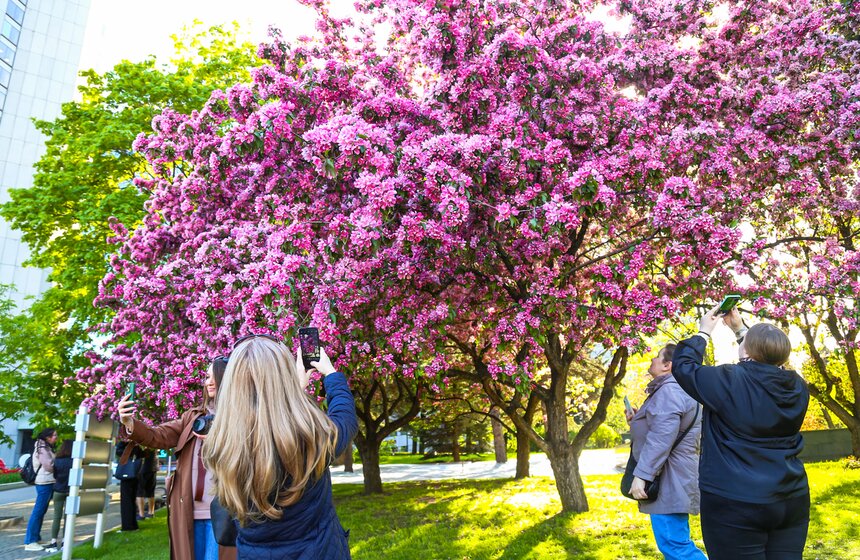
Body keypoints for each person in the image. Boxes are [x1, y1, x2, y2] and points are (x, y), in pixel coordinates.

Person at [672, 305, 810, 560]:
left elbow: (683, 367)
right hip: (790, 497)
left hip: (735, 501)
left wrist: (704, 332)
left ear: (746, 350)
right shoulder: (798, 387)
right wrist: (740, 329)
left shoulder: (729, 380)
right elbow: (765, 367)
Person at [204, 335, 358, 559]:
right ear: (284, 380)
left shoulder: (222, 445)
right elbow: (345, 418)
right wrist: (331, 374)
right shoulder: (311, 438)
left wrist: (292, 391)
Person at [118, 357, 236, 560]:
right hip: (189, 512)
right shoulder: (192, 417)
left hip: (225, 512)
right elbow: (158, 435)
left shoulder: (243, 417)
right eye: (206, 377)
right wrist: (129, 422)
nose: (208, 382)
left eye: (214, 376)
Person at [626, 344, 706, 560]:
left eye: (656, 357)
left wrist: (641, 476)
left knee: (675, 546)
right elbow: (660, 429)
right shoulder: (672, 389)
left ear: (667, 365)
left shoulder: (670, 391)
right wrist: (638, 421)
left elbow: (661, 440)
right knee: (673, 544)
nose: (651, 360)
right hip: (673, 477)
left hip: (670, 479)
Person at [24, 427, 58, 551]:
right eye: (54, 435)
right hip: (45, 482)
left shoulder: (45, 447)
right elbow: (49, 465)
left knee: (41, 511)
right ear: (48, 437)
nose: (56, 437)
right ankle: (30, 542)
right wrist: (60, 467)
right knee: (38, 512)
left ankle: (35, 538)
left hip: (47, 481)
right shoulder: (42, 448)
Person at [45, 440, 74, 553]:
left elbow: (55, 475)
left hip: (58, 490)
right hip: (70, 491)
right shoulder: (74, 461)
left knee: (56, 517)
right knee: (68, 518)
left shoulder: (57, 460)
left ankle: (53, 542)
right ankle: (64, 542)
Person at [115, 440, 142, 531]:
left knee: (126, 501)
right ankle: (133, 524)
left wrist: (122, 443)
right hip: (135, 474)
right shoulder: (138, 443)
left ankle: (128, 526)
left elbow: (119, 452)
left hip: (127, 475)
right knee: (131, 501)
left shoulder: (127, 445)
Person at [137, 447, 159, 519]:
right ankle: (151, 512)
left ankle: (141, 514)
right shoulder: (154, 440)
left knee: (140, 492)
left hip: (142, 468)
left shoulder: (143, 440)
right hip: (153, 467)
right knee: (151, 492)